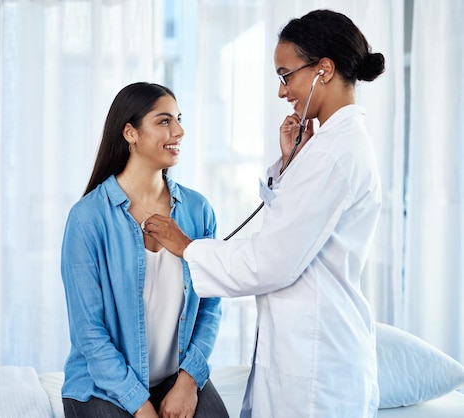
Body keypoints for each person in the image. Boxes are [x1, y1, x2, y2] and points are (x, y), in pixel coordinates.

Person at [143, 9, 386, 418]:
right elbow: (293, 225)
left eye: (285, 75)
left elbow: (273, 259)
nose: (282, 91)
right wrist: (289, 163)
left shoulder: (337, 152)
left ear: (323, 69)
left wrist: (187, 247)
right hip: (301, 349)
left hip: (317, 363)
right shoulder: (327, 148)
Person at [60, 82, 229, 418]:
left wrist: (187, 382)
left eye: (179, 119)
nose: (179, 131)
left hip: (174, 377)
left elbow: (210, 307)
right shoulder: (87, 218)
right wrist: (140, 405)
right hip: (102, 385)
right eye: (164, 121)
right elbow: (89, 333)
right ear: (130, 133)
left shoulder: (198, 210)